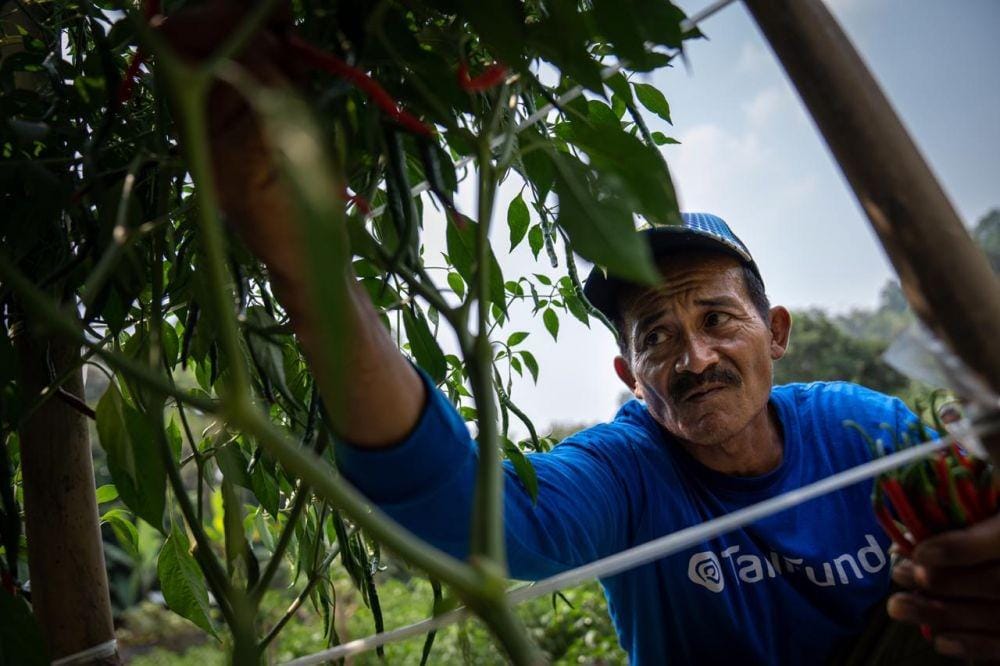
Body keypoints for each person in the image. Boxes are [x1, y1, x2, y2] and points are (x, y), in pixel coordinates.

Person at [157, 7, 1000, 662]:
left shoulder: (862, 429)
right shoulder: (628, 471)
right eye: (657, 338)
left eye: (716, 319)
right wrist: (310, 268)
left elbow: (976, 482)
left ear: (775, 331)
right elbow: (480, 515)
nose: (694, 359)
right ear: (628, 373)